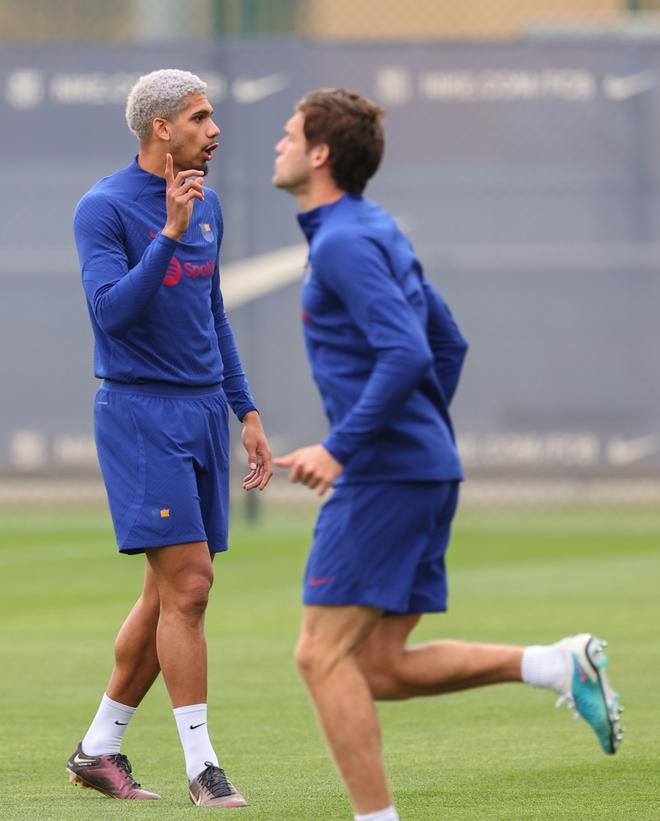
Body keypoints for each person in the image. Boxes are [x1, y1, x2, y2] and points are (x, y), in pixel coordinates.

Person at [272, 88, 623, 821]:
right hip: (418, 467)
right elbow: (447, 343)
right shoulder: (373, 229)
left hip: (389, 473)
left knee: (319, 654)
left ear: (320, 154)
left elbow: (407, 351)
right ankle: (555, 663)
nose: (278, 144)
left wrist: (345, 447)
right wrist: (422, 437)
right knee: (380, 665)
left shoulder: (343, 240)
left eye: (288, 133)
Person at [67, 69, 272, 808]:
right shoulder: (104, 208)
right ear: (162, 128)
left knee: (165, 598)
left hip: (201, 414)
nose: (214, 131)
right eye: (200, 117)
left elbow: (212, 312)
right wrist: (168, 235)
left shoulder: (207, 203)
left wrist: (244, 409)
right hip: (140, 414)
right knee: (190, 585)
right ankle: (203, 767)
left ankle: (97, 749)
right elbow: (112, 313)